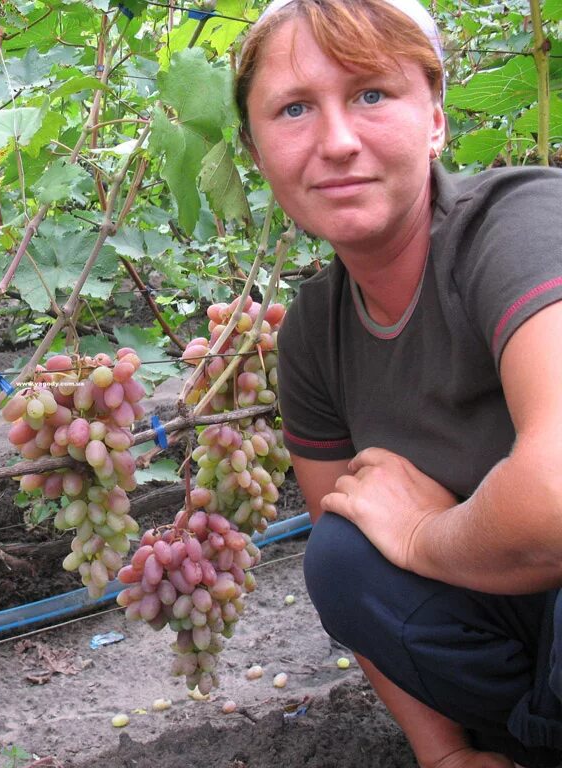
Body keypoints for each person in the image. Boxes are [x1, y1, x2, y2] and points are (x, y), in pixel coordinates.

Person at [233, 0, 562, 765]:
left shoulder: (522, 225)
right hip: (521, 628)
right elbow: (355, 569)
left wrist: (422, 534)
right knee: (344, 559)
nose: (338, 142)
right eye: (293, 109)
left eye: (372, 94)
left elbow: (553, 499)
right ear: (256, 152)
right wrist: (442, 755)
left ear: (438, 120)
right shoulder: (315, 331)